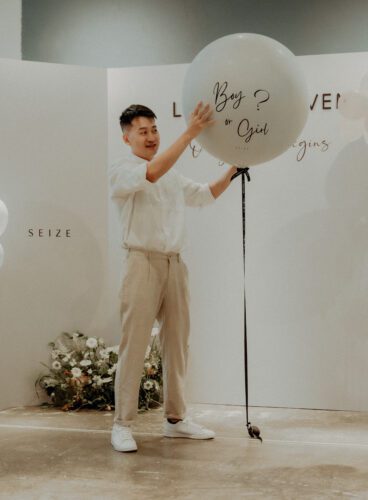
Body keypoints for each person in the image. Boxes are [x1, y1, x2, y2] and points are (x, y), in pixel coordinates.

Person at [109, 102, 238, 452]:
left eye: (154, 129)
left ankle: (176, 420)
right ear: (127, 138)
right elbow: (151, 173)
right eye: (143, 131)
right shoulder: (122, 170)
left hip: (175, 264)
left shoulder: (171, 174)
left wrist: (233, 169)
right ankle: (122, 424)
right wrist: (191, 132)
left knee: (178, 345)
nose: (151, 136)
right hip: (141, 263)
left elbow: (205, 195)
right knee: (134, 345)